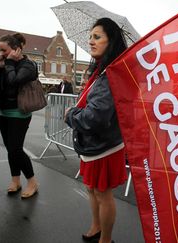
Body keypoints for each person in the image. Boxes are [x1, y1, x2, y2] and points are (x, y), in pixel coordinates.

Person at [64, 18, 128, 243]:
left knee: (102, 193)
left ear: (111, 42)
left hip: (104, 146)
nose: (91, 41)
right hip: (93, 144)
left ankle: (106, 239)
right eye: (90, 36)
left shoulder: (111, 73)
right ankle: (96, 225)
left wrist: (71, 116)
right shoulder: (100, 69)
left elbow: (96, 118)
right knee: (91, 189)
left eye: (97, 37)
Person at [0, 33, 39, 199]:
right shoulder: (6, 63)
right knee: (10, 149)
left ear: (16, 49)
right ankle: (15, 180)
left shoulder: (28, 65)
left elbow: (14, 81)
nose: (1, 53)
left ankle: (32, 181)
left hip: (19, 113)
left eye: (3, 50)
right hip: (3, 112)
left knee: (16, 148)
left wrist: (8, 63)